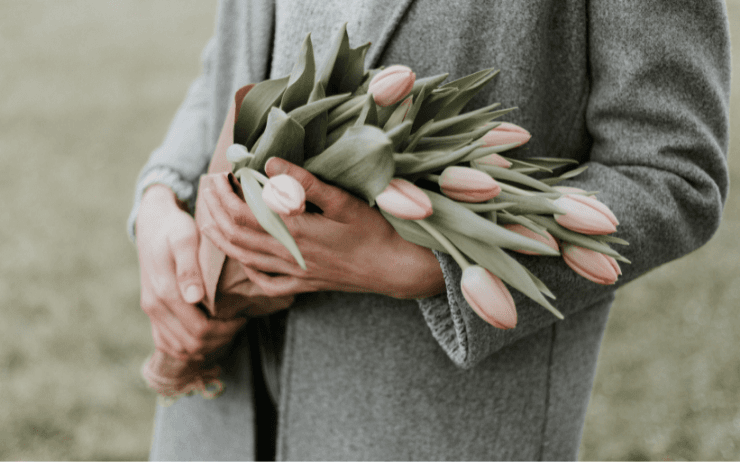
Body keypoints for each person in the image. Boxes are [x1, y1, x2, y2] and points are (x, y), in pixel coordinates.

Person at [128, 0, 731, 459]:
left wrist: (421, 267)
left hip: (430, 425)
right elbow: (235, 54)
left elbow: (672, 172)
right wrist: (162, 197)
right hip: (218, 417)